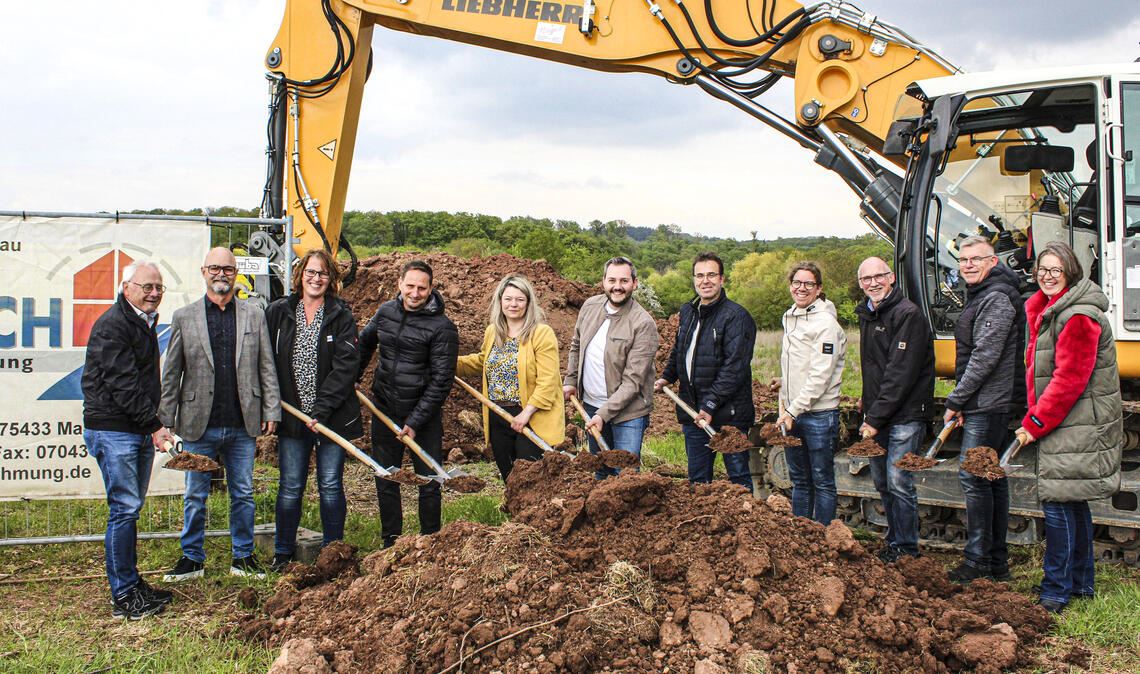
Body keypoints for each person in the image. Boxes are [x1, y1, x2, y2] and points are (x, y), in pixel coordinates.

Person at [159, 247, 281, 582]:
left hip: (242, 421)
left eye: (228, 269)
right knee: (195, 495)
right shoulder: (185, 317)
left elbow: (266, 366)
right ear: (204, 272)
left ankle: (242, 557)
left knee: (242, 492)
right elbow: (172, 372)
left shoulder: (254, 314)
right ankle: (192, 558)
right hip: (200, 423)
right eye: (215, 268)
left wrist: (271, 407)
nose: (221, 274)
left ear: (236, 272)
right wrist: (165, 419)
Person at [1014, 242, 1121, 613]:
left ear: (1070, 272)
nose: (1046, 276)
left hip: (1074, 421)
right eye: (1042, 269)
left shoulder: (1077, 317)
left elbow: (1069, 379)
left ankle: (1056, 591)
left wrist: (1035, 422)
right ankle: (1080, 585)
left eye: (1055, 270)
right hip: (1068, 420)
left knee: (1058, 504)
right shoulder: (1052, 310)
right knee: (1073, 505)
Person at [82, 260, 175, 618]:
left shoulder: (142, 322)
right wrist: (154, 425)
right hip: (114, 429)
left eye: (158, 288)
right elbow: (122, 384)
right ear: (126, 287)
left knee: (130, 508)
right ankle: (123, 596)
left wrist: (150, 423)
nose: (153, 293)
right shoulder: (114, 326)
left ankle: (132, 584)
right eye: (146, 287)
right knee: (123, 510)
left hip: (133, 427)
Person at [266, 249, 361, 571]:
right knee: (291, 485)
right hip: (293, 416)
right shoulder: (279, 312)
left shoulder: (340, 314)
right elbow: (267, 361)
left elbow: (346, 367)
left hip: (330, 417)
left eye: (322, 273)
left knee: (330, 485)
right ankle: (282, 551)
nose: (316, 278)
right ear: (300, 275)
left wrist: (321, 409)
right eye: (311, 272)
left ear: (331, 278)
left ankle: (332, 552)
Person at [942, 235, 1025, 583]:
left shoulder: (995, 299)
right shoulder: (985, 295)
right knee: (990, 479)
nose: (968, 265)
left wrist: (956, 400)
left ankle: (979, 563)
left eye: (976, 259)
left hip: (990, 402)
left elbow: (984, 357)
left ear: (993, 262)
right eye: (963, 261)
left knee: (974, 478)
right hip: (987, 400)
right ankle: (996, 562)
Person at [359, 260, 458, 548]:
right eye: (410, 286)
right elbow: (365, 344)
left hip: (422, 417)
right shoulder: (386, 312)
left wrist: (415, 421)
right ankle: (391, 540)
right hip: (384, 408)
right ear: (399, 283)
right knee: (386, 477)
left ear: (431, 289)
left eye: (421, 288)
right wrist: (353, 377)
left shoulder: (443, 327)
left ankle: (430, 540)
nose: (415, 293)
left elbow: (442, 381)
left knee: (428, 481)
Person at [855, 257, 934, 561]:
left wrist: (874, 418)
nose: (873, 283)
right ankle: (894, 540)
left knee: (899, 481)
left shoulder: (907, 315)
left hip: (905, 414)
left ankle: (906, 550)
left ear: (891, 278)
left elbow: (901, 373)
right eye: (866, 279)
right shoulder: (869, 313)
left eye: (879, 276)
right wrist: (866, 400)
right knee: (882, 481)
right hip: (878, 413)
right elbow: (873, 366)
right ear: (860, 283)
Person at [655, 252, 755, 489]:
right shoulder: (688, 312)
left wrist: (710, 404)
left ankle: (745, 523)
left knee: (738, 478)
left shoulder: (737, 317)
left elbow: (735, 368)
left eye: (711, 275)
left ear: (722, 279)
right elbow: (680, 350)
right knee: (698, 480)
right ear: (693, 279)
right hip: (693, 413)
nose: (705, 281)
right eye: (700, 275)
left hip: (730, 415)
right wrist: (667, 377)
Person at [458, 275, 565, 481]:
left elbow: (548, 380)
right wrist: (448, 363)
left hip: (530, 417)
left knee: (530, 479)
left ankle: (537, 513)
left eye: (519, 299)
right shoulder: (493, 332)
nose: (513, 304)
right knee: (509, 478)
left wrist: (526, 413)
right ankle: (516, 514)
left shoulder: (541, 333)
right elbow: (483, 362)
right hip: (498, 414)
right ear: (500, 301)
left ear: (528, 303)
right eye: (508, 299)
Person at [563, 258, 659, 478]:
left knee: (625, 476)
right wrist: (570, 380)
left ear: (634, 283)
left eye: (624, 280)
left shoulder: (643, 323)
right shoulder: (590, 306)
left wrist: (603, 415)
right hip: (591, 406)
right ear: (603, 282)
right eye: (612, 280)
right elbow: (577, 345)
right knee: (601, 471)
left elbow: (633, 382)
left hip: (628, 414)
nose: (618, 286)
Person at [776, 261, 846, 524]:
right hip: (794, 413)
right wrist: (783, 382)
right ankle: (802, 536)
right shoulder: (791, 316)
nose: (801, 288)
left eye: (808, 284)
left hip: (818, 414)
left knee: (822, 480)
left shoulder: (825, 323)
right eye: (797, 283)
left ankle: (824, 536)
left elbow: (820, 375)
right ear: (790, 285)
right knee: (800, 480)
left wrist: (793, 409)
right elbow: (800, 364)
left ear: (819, 289)